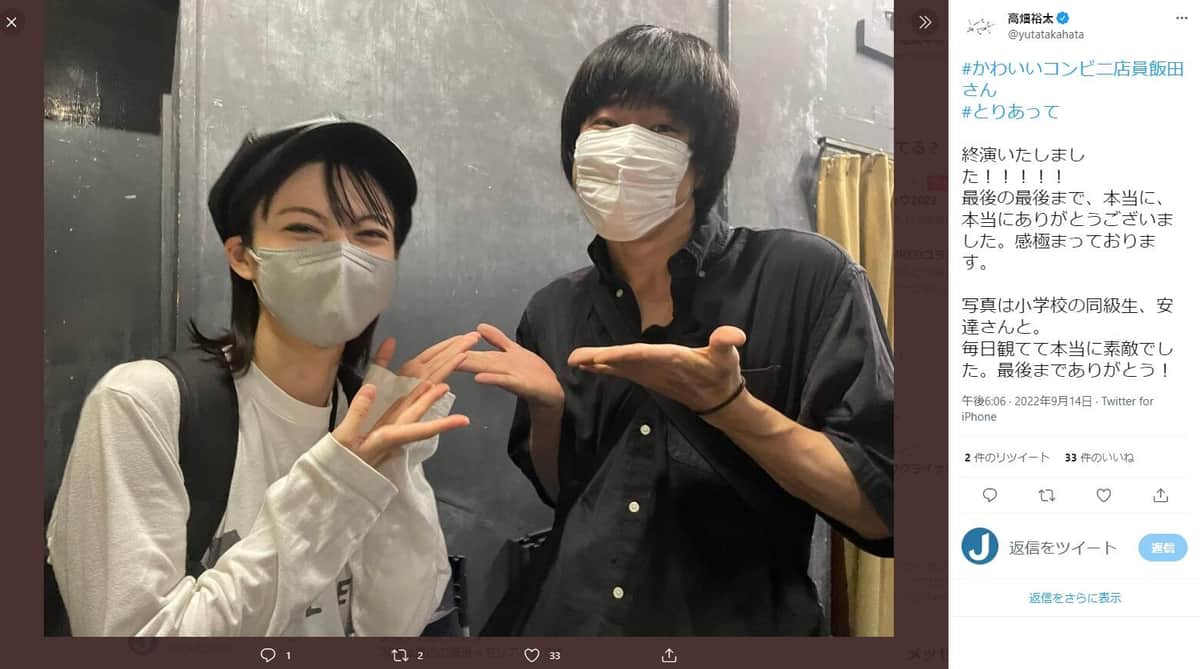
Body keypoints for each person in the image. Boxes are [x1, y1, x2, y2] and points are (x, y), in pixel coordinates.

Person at [463, 26, 894, 635]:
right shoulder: (553, 309)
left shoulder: (806, 278)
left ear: (702, 164)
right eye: (605, 124)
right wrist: (549, 413)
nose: (624, 147)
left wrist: (731, 408)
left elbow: (885, 510)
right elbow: (563, 492)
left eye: (662, 129)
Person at [46, 117, 478, 636]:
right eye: (304, 228)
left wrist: (393, 461)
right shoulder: (142, 405)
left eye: (369, 234)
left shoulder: (367, 414)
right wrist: (340, 483)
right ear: (243, 256)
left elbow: (395, 624)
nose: (342, 254)